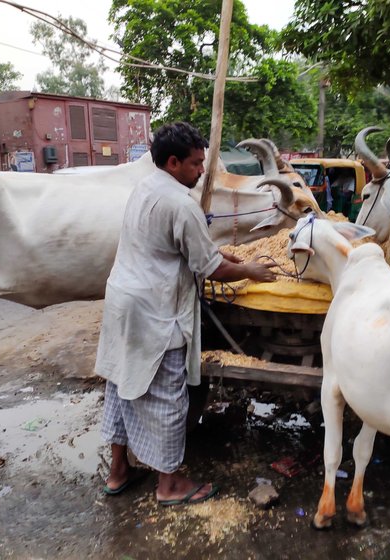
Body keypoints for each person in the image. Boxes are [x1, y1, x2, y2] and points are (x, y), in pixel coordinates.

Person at [95, 122, 277, 506]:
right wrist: (250, 270)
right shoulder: (181, 203)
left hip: (123, 300)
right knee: (166, 395)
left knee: (121, 385)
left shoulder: (146, 186)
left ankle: (118, 472)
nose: (200, 172)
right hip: (155, 310)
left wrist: (220, 254)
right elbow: (212, 270)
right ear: (174, 162)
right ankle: (170, 484)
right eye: (195, 164)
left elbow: (177, 248)